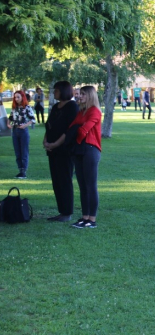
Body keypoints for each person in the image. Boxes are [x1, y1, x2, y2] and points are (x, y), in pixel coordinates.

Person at [43, 81, 79, 222]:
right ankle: (61, 211)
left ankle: (67, 212)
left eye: (56, 90)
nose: (54, 93)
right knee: (56, 180)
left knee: (64, 180)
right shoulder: (55, 107)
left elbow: (69, 130)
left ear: (63, 91)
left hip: (64, 150)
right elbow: (49, 125)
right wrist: (46, 141)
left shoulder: (72, 107)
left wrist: (55, 144)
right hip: (52, 150)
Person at [67, 86, 102, 229]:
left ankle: (91, 219)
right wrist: (75, 132)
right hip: (79, 150)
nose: (79, 96)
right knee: (82, 186)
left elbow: (83, 130)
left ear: (90, 96)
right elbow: (72, 127)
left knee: (90, 185)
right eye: (79, 94)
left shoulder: (94, 111)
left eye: (82, 94)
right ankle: (84, 217)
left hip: (90, 149)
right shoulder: (81, 111)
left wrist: (76, 135)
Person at [7, 91, 36, 178]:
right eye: (15, 97)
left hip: (23, 131)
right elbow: (10, 118)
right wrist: (8, 124)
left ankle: (24, 171)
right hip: (15, 131)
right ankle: (20, 170)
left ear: (22, 97)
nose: (16, 99)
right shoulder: (14, 108)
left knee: (24, 151)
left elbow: (33, 119)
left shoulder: (27, 107)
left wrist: (25, 125)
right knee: (17, 152)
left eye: (18, 97)